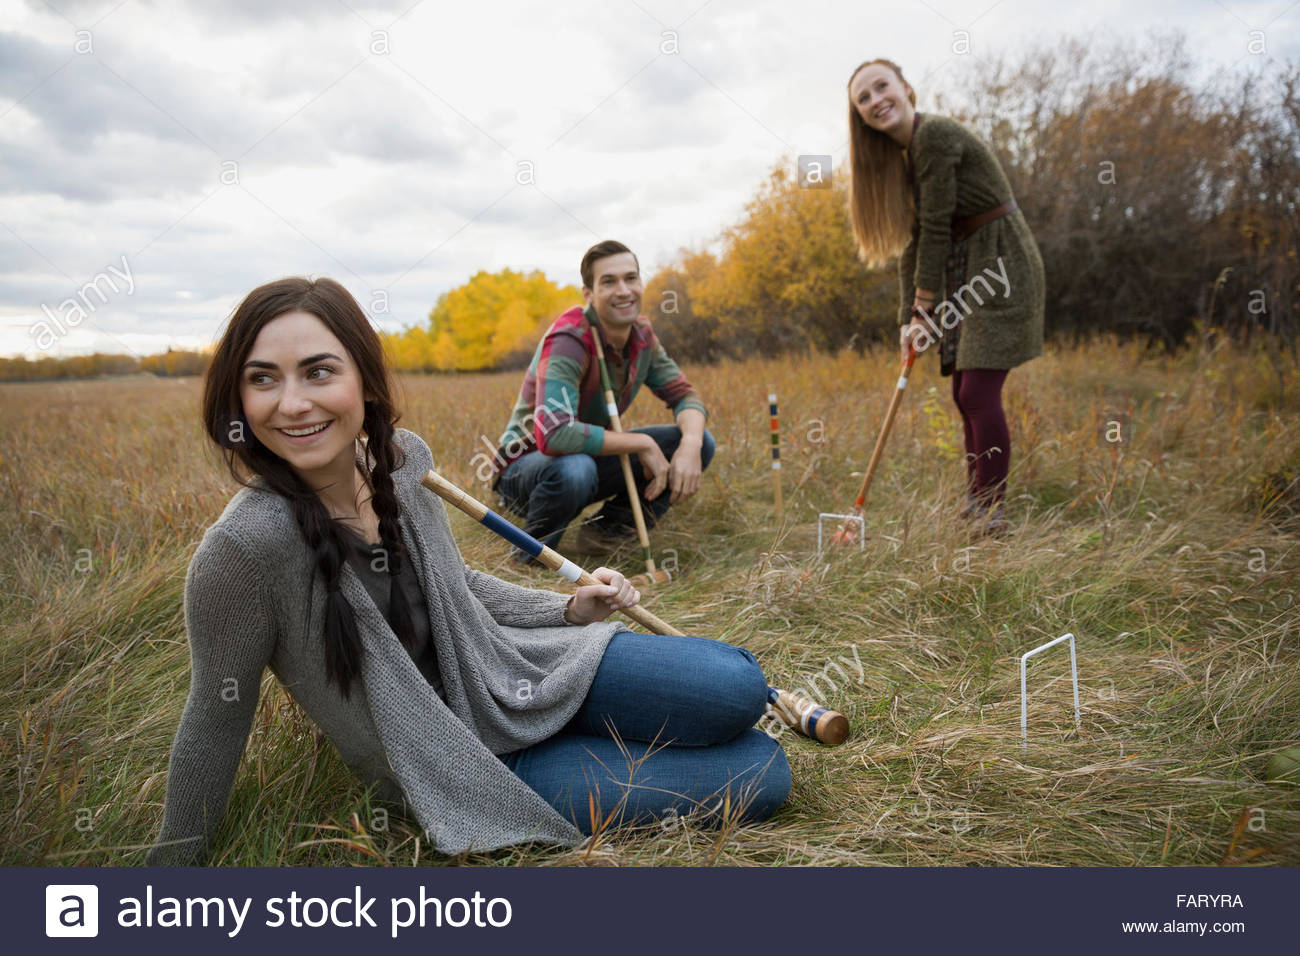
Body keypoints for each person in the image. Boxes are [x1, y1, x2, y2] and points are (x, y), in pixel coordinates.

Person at [144, 277, 789, 866]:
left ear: (364, 382)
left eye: (318, 372)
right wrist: (165, 878)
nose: (292, 403)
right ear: (238, 395)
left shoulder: (404, 461)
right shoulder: (243, 549)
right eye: (263, 379)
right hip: (459, 762)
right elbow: (214, 717)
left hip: (510, 672)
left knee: (734, 686)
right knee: (763, 773)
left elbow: (457, 588)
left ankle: (606, 718)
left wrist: (567, 609)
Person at [846, 58, 1046, 535]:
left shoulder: (932, 136)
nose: (876, 101)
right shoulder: (904, 159)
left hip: (1001, 265)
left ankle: (991, 513)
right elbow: (914, 242)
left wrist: (924, 309)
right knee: (964, 391)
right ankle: (977, 505)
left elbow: (937, 229)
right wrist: (906, 319)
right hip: (971, 267)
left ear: (907, 88)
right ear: (859, 115)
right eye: (864, 99)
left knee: (978, 390)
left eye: (881, 87)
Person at [488, 240, 714, 561]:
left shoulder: (642, 337)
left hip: (584, 458)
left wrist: (689, 445)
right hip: (524, 468)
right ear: (588, 294)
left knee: (700, 440)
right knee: (575, 469)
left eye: (631, 278)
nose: (623, 290)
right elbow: (554, 435)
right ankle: (532, 557)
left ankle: (605, 536)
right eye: (609, 282)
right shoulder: (568, 339)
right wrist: (642, 444)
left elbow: (686, 397)